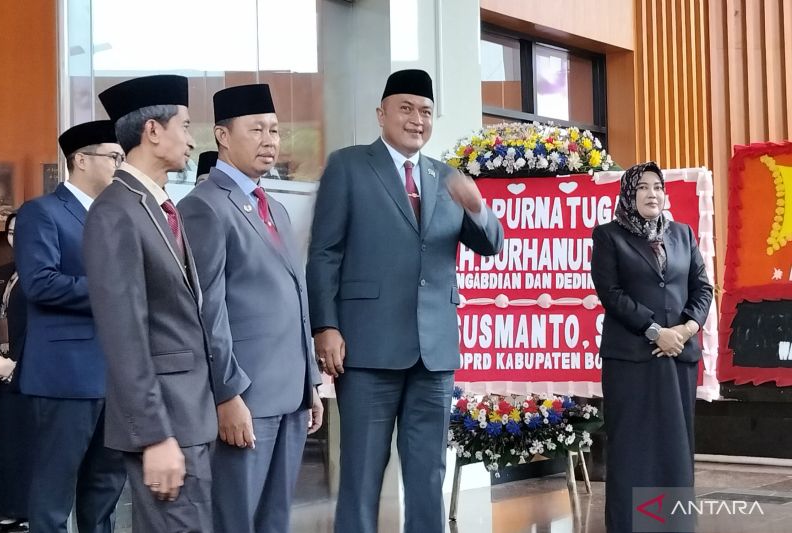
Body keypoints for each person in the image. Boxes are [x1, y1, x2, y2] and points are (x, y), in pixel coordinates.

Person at [306, 69, 504, 533]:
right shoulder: (348, 166)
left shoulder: (447, 177)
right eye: (407, 108)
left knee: (428, 472)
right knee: (361, 472)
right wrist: (325, 326)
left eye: (426, 111)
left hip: (433, 353)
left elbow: (491, 244)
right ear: (381, 114)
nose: (417, 119)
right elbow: (324, 253)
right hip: (367, 349)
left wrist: (477, 205)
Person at [178, 83, 323, 533]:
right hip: (246, 396)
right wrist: (227, 395)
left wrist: (310, 382)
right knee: (236, 518)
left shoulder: (274, 207)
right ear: (222, 136)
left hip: (291, 394)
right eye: (256, 129)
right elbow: (208, 310)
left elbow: (296, 298)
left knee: (275, 520)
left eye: (274, 130)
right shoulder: (204, 206)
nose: (269, 140)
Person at [84, 75, 218, 532]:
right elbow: (124, 335)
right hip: (166, 422)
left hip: (191, 416)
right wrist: (155, 435)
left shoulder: (158, 206)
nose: (192, 140)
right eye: (185, 125)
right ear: (153, 131)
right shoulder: (116, 210)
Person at [15, 121, 127, 533]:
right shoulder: (42, 212)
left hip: (117, 375)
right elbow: (40, 283)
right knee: (54, 496)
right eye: (113, 157)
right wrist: (115, 290)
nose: (120, 165)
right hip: (66, 374)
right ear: (81, 159)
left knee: (105, 491)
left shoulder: (116, 215)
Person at [590, 161, 713, 533]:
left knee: (674, 447)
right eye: (642, 187)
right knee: (634, 448)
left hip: (679, 358)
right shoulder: (609, 236)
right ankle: (632, 525)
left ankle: (671, 525)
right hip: (632, 360)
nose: (652, 194)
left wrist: (685, 330)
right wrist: (655, 330)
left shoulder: (683, 234)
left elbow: (702, 288)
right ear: (629, 194)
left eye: (657, 186)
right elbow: (611, 293)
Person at [0, 212, 34, 533]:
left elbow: (41, 329)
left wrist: (16, 363)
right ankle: (5, 508)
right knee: (2, 444)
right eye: (10, 232)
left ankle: (26, 510)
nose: (15, 237)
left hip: (27, 372)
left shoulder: (41, 275)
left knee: (26, 443)